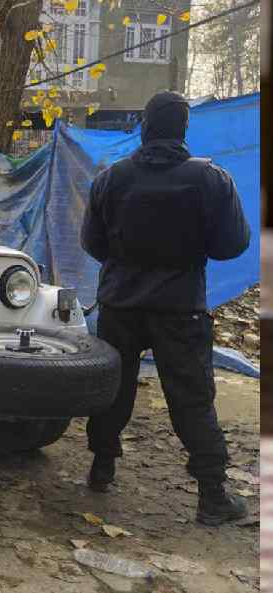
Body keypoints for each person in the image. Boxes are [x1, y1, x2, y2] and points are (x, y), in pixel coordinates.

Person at [80, 91, 251, 526]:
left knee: (113, 387)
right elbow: (233, 244)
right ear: (183, 128)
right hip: (180, 308)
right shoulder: (211, 179)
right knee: (192, 397)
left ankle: (101, 469)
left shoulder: (111, 178)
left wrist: (126, 267)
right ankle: (213, 495)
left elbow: (91, 242)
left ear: (146, 126)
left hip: (119, 303)